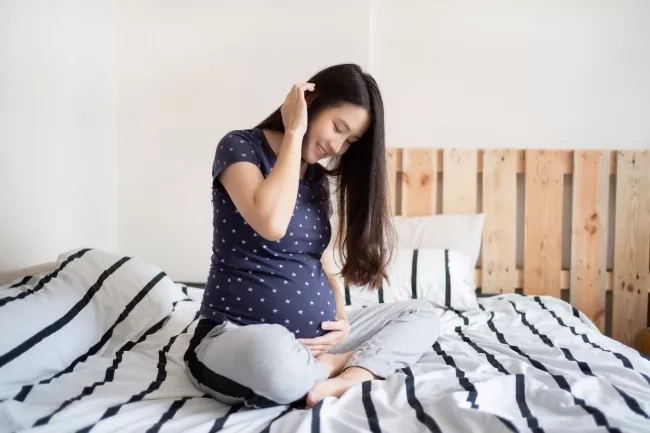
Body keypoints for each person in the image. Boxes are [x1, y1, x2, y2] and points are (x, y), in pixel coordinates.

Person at [184, 63, 440, 408]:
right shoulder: (240, 147)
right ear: (310, 102)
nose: (337, 147)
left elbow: (321, 263)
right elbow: (271, 223)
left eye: (349, 141)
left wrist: (342, 319)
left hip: (320, 344)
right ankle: (341, 367)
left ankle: (344, 374)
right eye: (338, 128)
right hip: (237, 332)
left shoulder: (316, 179)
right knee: (274, 355)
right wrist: (293, 133)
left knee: (421, 315)